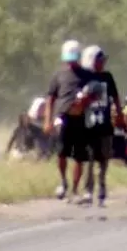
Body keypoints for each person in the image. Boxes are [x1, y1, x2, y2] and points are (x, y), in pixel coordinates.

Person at [43, 39, 97, 202]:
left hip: (80, 119)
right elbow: (50, 99)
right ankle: (63, 182)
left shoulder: (87, 75)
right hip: (63, 118)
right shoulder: (58, 75)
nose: (71, 63)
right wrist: (48, 120)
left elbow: (95, 96)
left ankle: (75, 188)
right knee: (61, 153)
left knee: (79, 157)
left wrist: (85, 100)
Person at [81, 45, 124, 205]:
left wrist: (119, 115)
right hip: (88, 124)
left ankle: (102, 185)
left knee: (104, 157)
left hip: (105, 123)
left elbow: (115, 97)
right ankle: (88, 190)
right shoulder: (84, 77)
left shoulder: (107, 77)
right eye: (99, 60)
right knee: (89, 158)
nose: (102, 63)